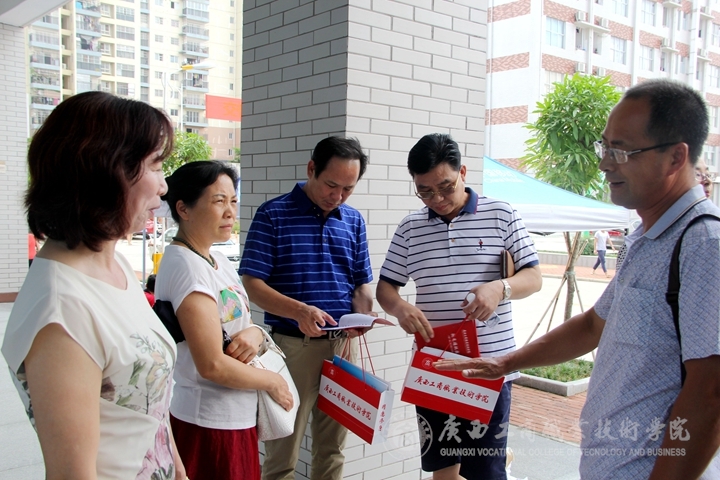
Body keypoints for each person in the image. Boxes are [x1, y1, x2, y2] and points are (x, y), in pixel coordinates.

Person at [436, 80, 720, 479]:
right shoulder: (646, 238)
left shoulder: (704, 245)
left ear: (676, 157)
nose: (605, 164)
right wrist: (505, 362)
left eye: (621, 151)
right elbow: (592, 325)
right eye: (604, 148)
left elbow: (710, 394)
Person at [1, 91, 185, 479]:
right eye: (155, 165)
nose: (164, 186)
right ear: (106, 171)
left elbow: (150, 411)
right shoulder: (62, 309)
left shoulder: (114, 264)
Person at [376, 133, 543, 480]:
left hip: (489, 368)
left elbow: (534, 277)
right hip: (434, 367)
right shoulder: (410, 228)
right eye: (425, 191)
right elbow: (386, 288)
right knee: (442, 469)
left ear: (463, 172)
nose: (437, 199)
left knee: (485, 471)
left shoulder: (501, 214)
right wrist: (400, 308)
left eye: (446, 187)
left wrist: (500, 288)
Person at [239, 136, 374, 480]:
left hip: (343, 349)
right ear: (311, 169)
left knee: (333, 449)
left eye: (348, 188)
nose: (338, 196)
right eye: (331, 184)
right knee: (283, 452)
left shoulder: (354, 221)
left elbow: (361, 284)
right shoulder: (273, 215)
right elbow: (252, 284)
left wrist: (364, 312)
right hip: (292, 349)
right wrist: (299, 311)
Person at [155, 160, 293, 480]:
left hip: (236, 417)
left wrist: (256, 333)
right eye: (219, 201)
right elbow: (212, 365)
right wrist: (273, 381)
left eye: (233, 200)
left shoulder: (215, 258)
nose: (231, 212)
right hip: (209, 424)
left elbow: (240, 324)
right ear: (184, 209)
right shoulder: (187, 267)